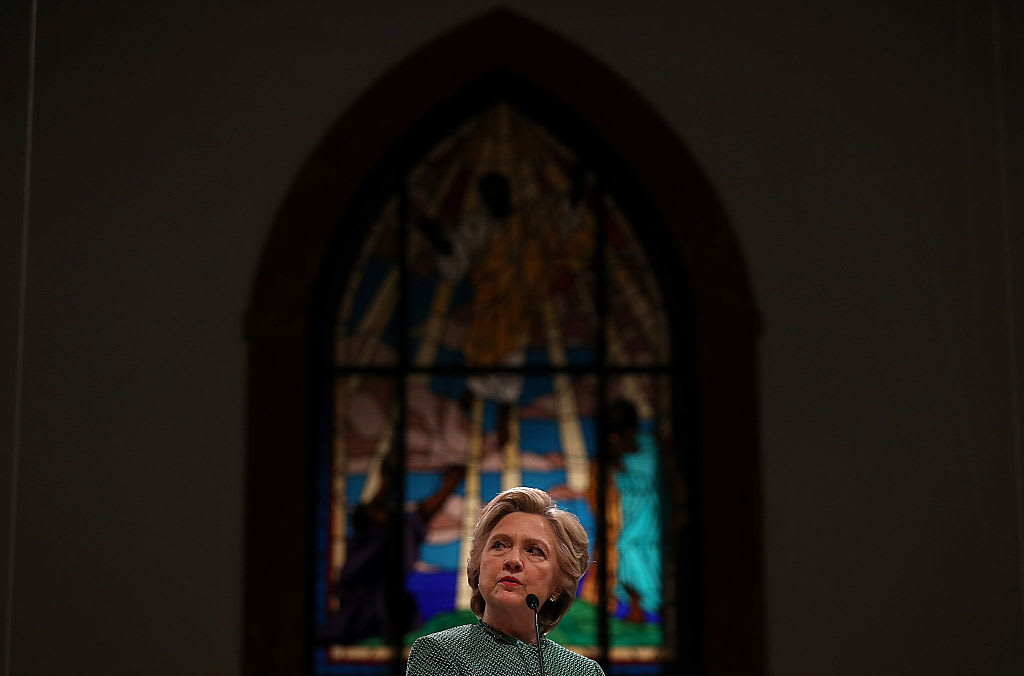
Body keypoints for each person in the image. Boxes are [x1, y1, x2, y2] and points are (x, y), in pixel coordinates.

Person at [406, 487, 604, 675]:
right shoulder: (439, 653)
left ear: (558, 586)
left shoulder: (584, 671)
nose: (513, 560)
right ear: (479, 566)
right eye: (499, 545)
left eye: (534, 550)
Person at [318, 462, 466, 644]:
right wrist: (449, 485)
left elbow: (419, 514)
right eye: (379, 509)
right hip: (373, 615)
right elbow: (422, 514)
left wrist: (386, 481)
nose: (387, 509)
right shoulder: (382, 539)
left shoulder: (375, 538)